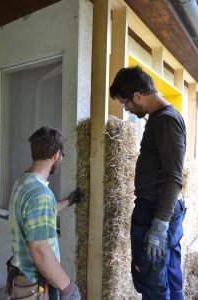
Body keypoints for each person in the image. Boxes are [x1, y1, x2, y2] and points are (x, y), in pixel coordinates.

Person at [110, 66, 186, 300]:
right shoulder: (159, 119)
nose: (127, 110)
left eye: (126, 104)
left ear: (138, 96)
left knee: (152, 281)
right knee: (168, 276)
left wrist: (159, 225)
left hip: (156, 211)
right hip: (158, 209)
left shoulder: (166, 121)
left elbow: (174, 177)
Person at [7, 126, 82, 300]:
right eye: (62, 155)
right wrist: (67, 287)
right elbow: (39, 249)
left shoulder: (24, 182)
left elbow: (39, 215)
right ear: (56, 155)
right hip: (36, 284)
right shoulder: (40, 194)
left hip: (21, 276)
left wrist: (69, 201)